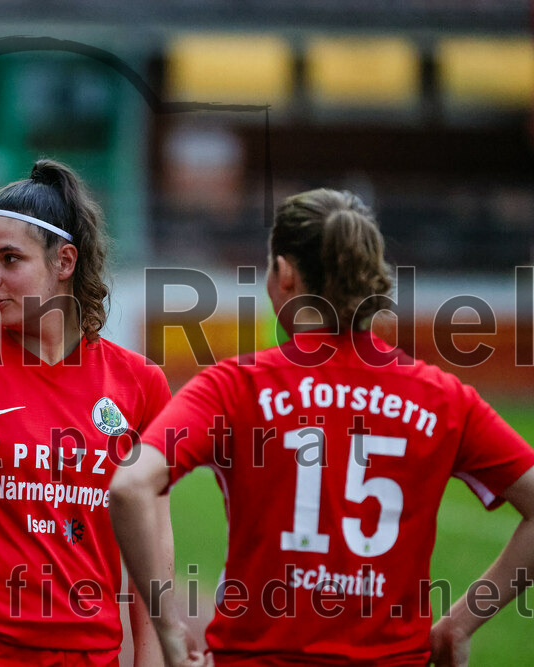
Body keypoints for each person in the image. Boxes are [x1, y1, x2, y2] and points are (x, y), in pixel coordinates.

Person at [110, 189, 534, 666]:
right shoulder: (444, 397)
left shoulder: (235, 386)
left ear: (285, 273)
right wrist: (460, 621)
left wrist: (168, 630)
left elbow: (129, 485)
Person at [0, 159, 173, 665]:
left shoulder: (140, 385)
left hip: (88, 654)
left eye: (10, 259)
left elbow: (154, 551)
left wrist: (150, 656)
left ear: (65, 261)